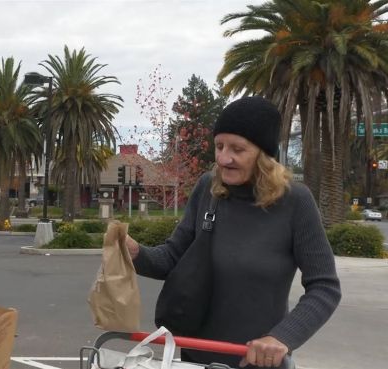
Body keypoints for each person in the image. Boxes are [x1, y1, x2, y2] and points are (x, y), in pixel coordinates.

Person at [125, 96, 341, 369]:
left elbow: (325, 287)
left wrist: (281, 337)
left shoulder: (296, 201)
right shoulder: (208, 187)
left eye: (237, 149)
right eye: (219, 146)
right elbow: (174, 258)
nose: (223, 158)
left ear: (264, 154)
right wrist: (135, 253)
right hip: (194, 354)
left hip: (254, 361)